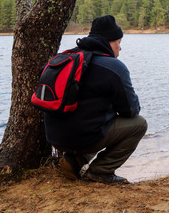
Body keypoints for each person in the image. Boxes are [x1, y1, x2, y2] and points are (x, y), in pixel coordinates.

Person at [44, 15, 147, 183]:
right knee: (139, 124)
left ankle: (73, 161)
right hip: (84, 138)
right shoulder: (114, 67)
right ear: (109, 42)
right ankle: (101, 171)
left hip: (55, 138)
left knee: (92, 121)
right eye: (118, 43)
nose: (120, 48)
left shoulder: (66, 58)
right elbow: (131, 110)